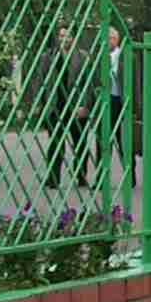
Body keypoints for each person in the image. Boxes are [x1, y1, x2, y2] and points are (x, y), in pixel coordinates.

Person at [44, 24, 95, 188]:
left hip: (76, 107)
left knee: (80, 144)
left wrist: (84, 106)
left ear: (73, 38)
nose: (64, 39)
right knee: (55, 144)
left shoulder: (83, 57)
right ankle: (53, 178)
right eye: (61, 36)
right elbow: (40, 81)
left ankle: (81, 176)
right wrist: (41, 104)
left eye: (67, 36)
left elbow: (89, 84)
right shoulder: (48, 57)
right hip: (55, 106)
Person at [107, 27, 136, 187]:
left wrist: (135, 108)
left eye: (110, 38)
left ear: (116, 40)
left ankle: (130, 177)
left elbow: (136, 84)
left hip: (122, 101)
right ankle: (101, 178)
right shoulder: (99, 57)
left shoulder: (126, 57)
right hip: (106, 102)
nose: (107, 41)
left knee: (124, 141)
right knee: (103, 141)